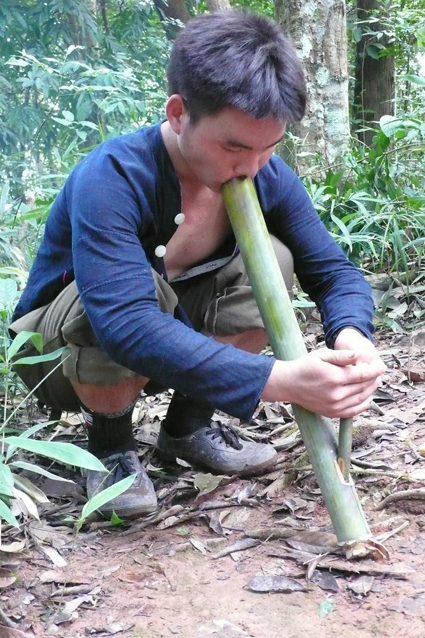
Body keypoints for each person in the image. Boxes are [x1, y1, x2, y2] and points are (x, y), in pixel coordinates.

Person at [9, 10, 385, 519]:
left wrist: (352, 336)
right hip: (59, 356)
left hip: (171, 345)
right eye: (233, 146)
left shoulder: (266, 175)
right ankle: (110, 448)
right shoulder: (113, 177)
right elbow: (126, 325)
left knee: (273, 259)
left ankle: (187, 427)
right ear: (179, 113)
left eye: (269, 147)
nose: (251, 166)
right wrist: (277, 379)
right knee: (129, 289)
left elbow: (333, 272)